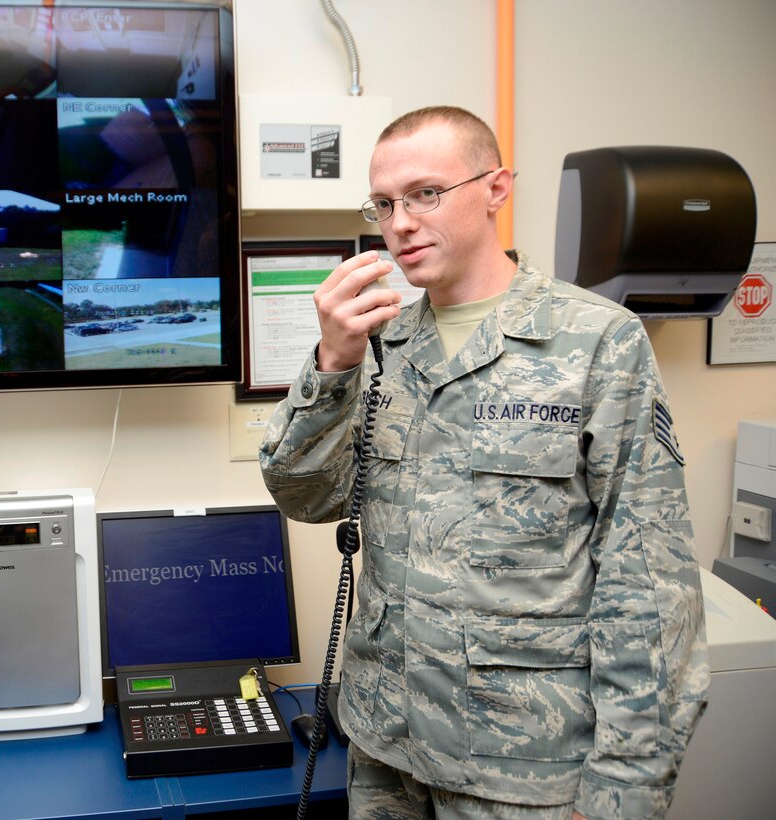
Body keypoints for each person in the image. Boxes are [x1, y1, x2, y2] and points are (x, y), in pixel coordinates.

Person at [258, 106, 709, 819]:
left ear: (496, 189)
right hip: (387, 752)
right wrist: (331, 363)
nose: (399, 222)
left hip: (523, 767)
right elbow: (303, 496)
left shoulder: (595, 343)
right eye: (383, 203)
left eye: (425, 194)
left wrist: (625, 785)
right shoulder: (377, 346)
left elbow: (649, 587)